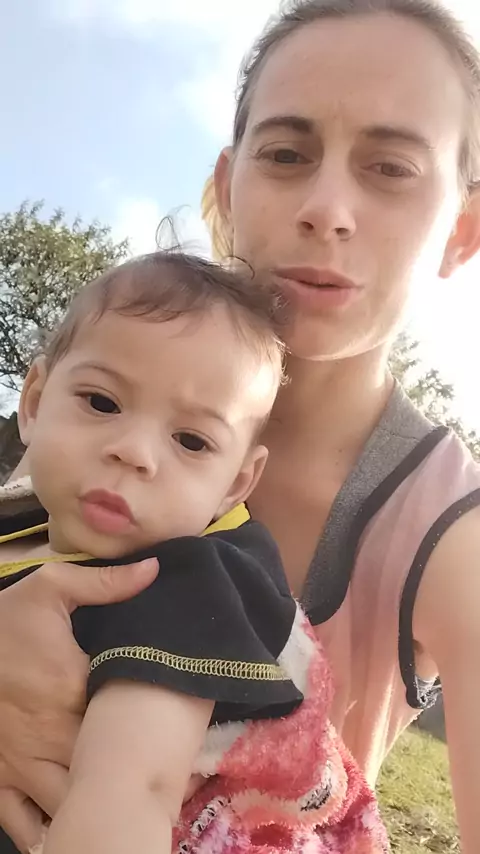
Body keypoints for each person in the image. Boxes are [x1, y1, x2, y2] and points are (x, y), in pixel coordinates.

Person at [1, 0, 480, 850]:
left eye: (391, 168)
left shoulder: (451, 533)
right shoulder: (94, 395)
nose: (327, 209)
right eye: (287, 154)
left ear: (463, 228)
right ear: (226, 189)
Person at [0, 251, 389, 854]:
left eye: (191, 440)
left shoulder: (182, 587)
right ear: (34, 402)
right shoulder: (20, 524)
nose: (134, 452)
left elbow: (135, 792)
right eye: (102, 402)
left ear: (235, 484)